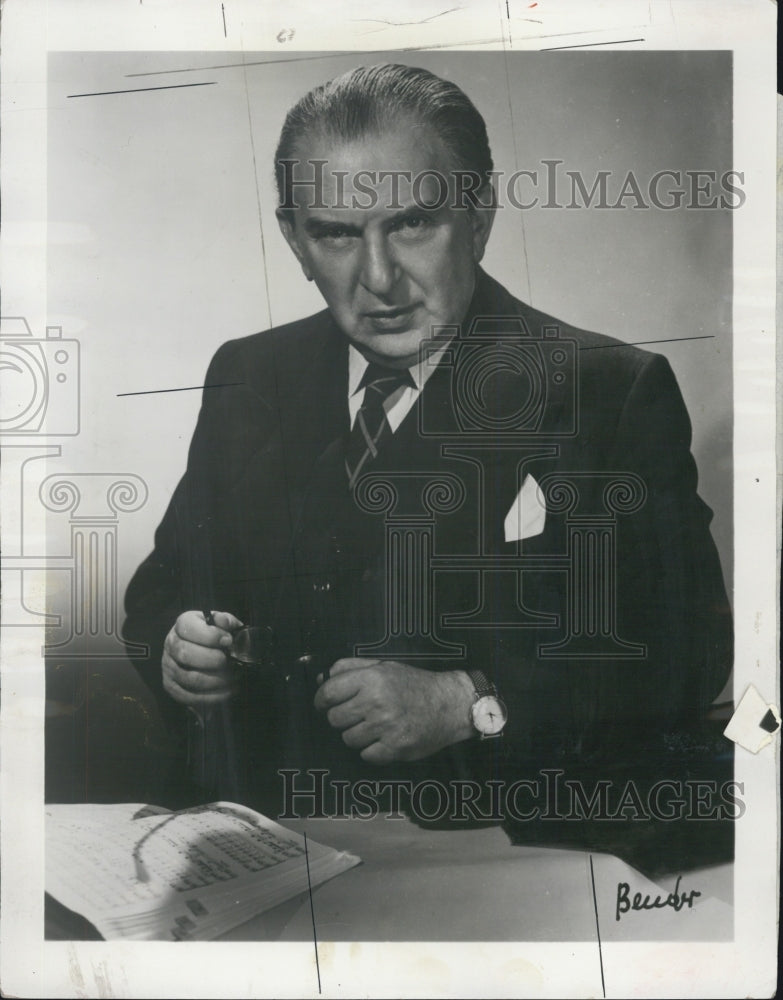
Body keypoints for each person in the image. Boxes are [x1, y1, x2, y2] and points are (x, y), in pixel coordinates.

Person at [123, 64, 732, 863]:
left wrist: (471, 702)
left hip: (505, 854)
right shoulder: (250, 374)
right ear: (293, 239)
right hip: (264, 847)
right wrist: (179, 646)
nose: (378, 280)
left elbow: (684, 651)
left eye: (411, 224)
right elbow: (164, 589)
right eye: (336, 234)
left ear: (478, 217)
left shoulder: (607, 391)